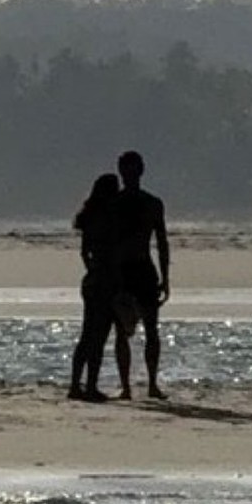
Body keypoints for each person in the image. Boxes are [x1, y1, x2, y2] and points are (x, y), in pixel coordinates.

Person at [68, 173, 132, 402]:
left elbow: (84, 252)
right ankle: (91, 386)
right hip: (107, 281)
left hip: (92, 279)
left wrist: (92, 269)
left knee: (87, 334)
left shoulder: (90, 218)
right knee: (99, 335)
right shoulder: (111, 218)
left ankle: (76, 385)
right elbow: (117, 252)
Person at [113, 150, 170, 400]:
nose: (130, 175)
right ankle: (129, 386)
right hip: (124, 271)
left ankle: (150, 384)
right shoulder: (116, 203)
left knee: (150, 329)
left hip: (141, 270)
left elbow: (162, 243)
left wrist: (165, 277)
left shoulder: (151, 203)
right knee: (123, 330)